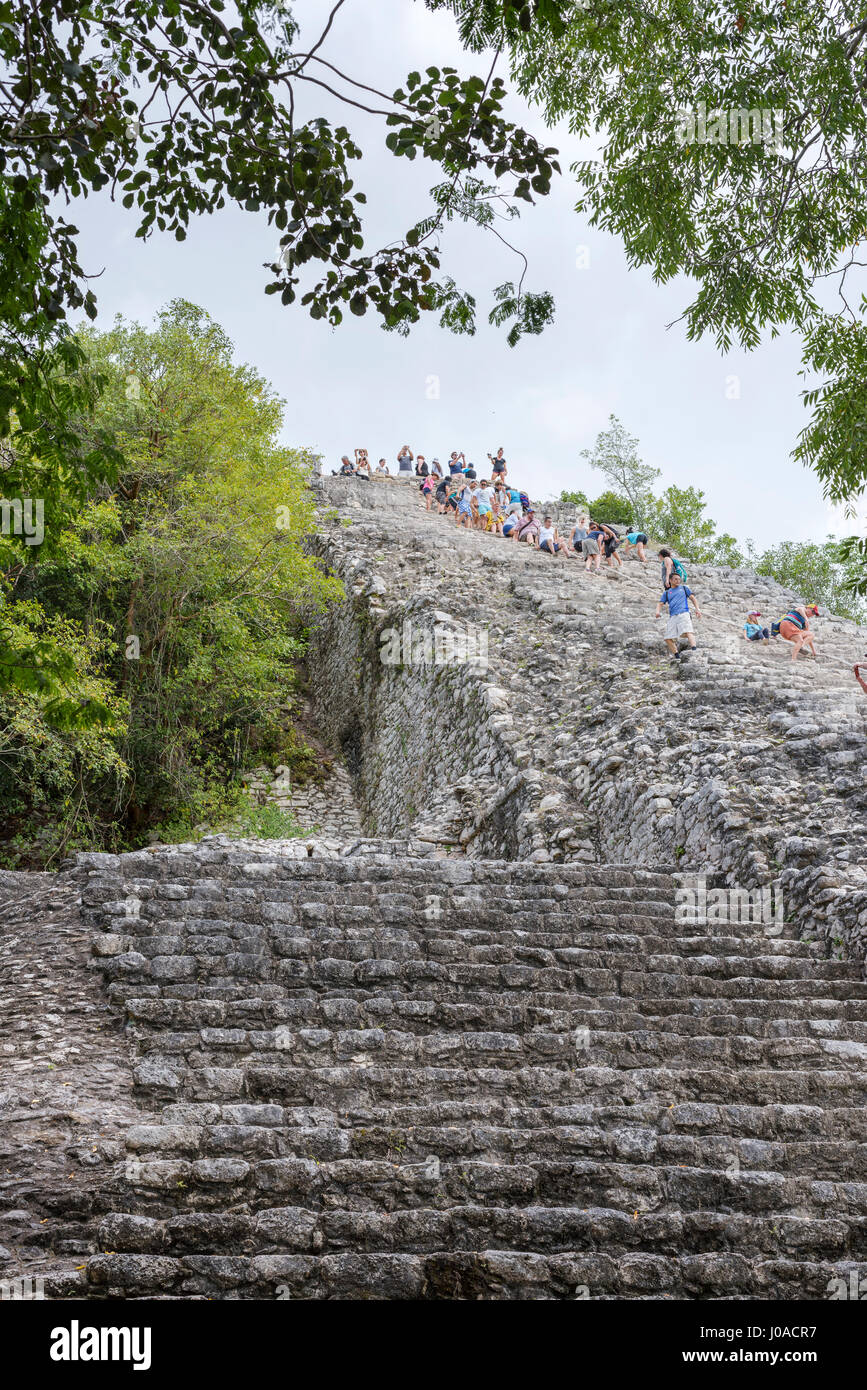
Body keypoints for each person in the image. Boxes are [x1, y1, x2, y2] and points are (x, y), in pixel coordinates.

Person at [655, 573, 702, 663]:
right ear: (671, 580)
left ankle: (694, 651)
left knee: (688, 631)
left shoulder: (684, 588)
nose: (678, 581)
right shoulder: (667, 593)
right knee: (667, 638)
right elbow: (660, 603)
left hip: (684, 613)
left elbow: (693, 598)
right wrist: (657, 612)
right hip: (673, 616)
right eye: (675, 579)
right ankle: (677, 656)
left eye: (679, 579)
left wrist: (697, 609)